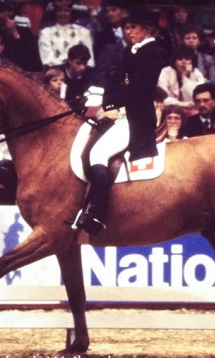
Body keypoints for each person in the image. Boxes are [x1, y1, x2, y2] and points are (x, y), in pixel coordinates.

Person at [77, 7, 163, 235]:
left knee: (97, 154)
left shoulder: (152, 52)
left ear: (146, 30)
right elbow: (120, 81)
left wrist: (112, 106)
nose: (129, 31)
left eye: (133, 27)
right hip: (125, 113)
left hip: (136, 120)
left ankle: (96, 213)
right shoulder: (134, 51)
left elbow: (137, 89)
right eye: (127, 27)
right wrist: (107, 102)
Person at [38, 2, 95, 70]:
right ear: (55, 13)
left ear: (71, 12)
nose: (63, 14)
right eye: (59, 11)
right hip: (56, 72)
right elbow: (47, 60)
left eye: (66, 11)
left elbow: (90, 61)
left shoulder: (83, 32)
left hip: (80, 71)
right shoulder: (46, 33)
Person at [0, 0, 42, 72]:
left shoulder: (25, 31)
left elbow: (29, 55)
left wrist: (14, 32)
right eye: (2, 11)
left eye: (9, 10)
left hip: (21, 68)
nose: (6, 14)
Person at [157, 45, 206, 110]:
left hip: (193, 109)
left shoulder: (196, 72)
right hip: (170, 109)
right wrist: (181, 104)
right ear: (174, 62)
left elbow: (199, 95)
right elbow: (163, 97)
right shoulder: (165, 72)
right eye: (180, 59)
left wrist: (184, 78)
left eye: (187, 59)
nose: (184, 62)